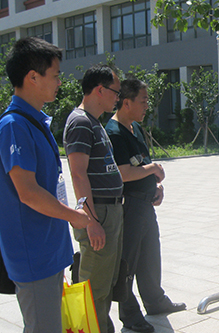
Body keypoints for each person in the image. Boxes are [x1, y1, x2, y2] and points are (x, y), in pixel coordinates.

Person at [0, 37, 90, 333]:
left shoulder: (34, 121)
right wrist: (74, 216)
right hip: (33, 254)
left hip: (47, 249)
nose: (59, 82)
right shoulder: (14, 126)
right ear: (33, 77)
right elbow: (27, 192)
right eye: (55, 75)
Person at [105, 77, 185, 333]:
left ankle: (155, 301)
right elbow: (123, 172)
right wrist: (152, 169)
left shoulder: (135, 128)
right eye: (143, 101)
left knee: (150, 255)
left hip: (145, 203)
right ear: (126, 102)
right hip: (128, 206)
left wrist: (155, 187)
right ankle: (129, 314)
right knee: (128, 261)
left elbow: (140, 162)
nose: (147, 106)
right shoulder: (114, 132)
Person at [63, 64, 124, 333]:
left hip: (109, 211)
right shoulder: (80, 122)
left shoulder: (93, 122)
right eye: (115, 92)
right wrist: (91, 221)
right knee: (94, 289)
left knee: (105, 284)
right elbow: (78, 174)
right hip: (98, 212)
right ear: (100, 90)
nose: (118, 98)